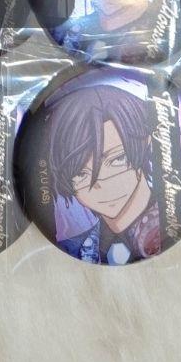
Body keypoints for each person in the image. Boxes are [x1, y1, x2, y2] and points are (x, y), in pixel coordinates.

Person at [47, 82, 160, 265]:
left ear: (145, 141)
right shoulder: (74, 247)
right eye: (81, 173)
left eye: (117, 159)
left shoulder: (175, 222)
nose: (101, 185)